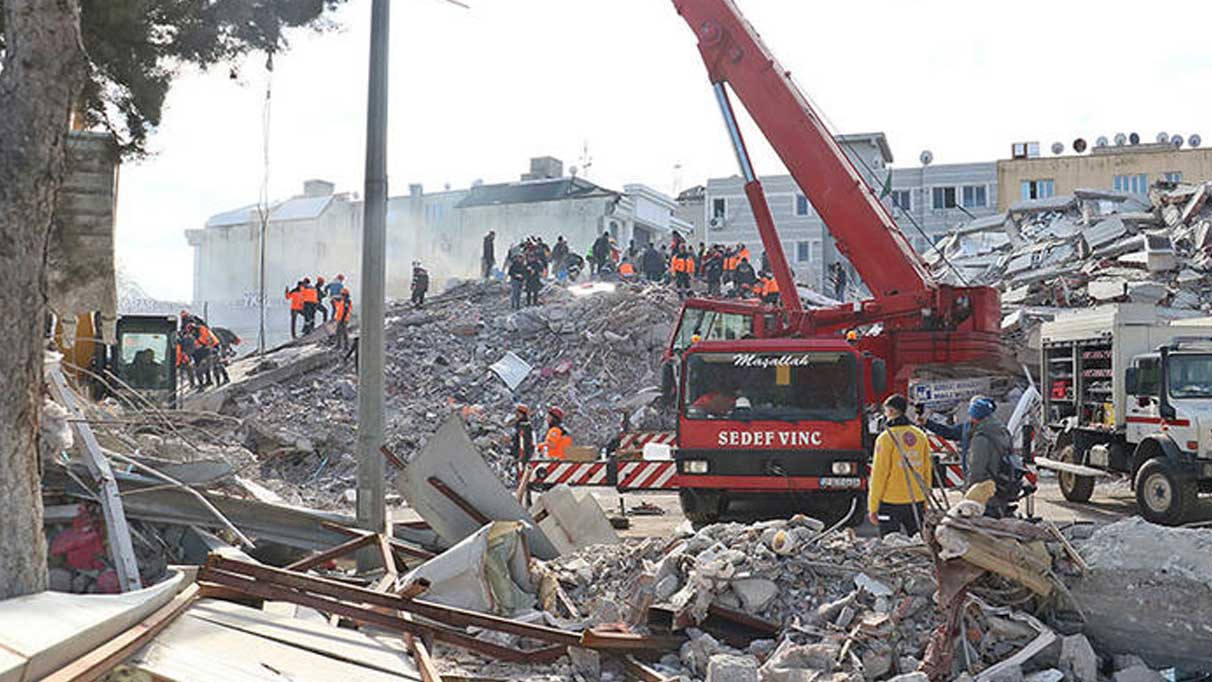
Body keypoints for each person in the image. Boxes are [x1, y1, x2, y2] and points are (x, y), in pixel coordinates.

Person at [868, 394, 933, 537]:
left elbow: (879, 475)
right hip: (916, 500)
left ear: (890, 411)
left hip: (891, 502)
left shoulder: (886, 438)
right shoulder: (920, 436)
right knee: (919, 542)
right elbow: (927, 471)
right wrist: (926, 502)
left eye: (886, 411)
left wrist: (873, 507)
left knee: (890, 543)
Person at [966, 397, 1017, 518]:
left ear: (975, 416)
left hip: (986, 489)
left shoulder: (981, 437)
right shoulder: (1003, 430)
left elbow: (977, 468)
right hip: (1003, 484)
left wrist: (970, 491)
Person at [919, 395, 990, 477]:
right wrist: (927, 423)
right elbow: (949, 432)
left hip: (985, 475)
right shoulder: (967, 427)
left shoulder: (991, 429)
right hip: (971, 473)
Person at [511, 404, 535, 479]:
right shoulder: (520, 426)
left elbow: (523, 443)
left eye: (518, 413)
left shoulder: (524, 427)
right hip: (520, 456)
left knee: (522, 476)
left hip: (522, 457)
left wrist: (520, 458)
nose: (516, 415)